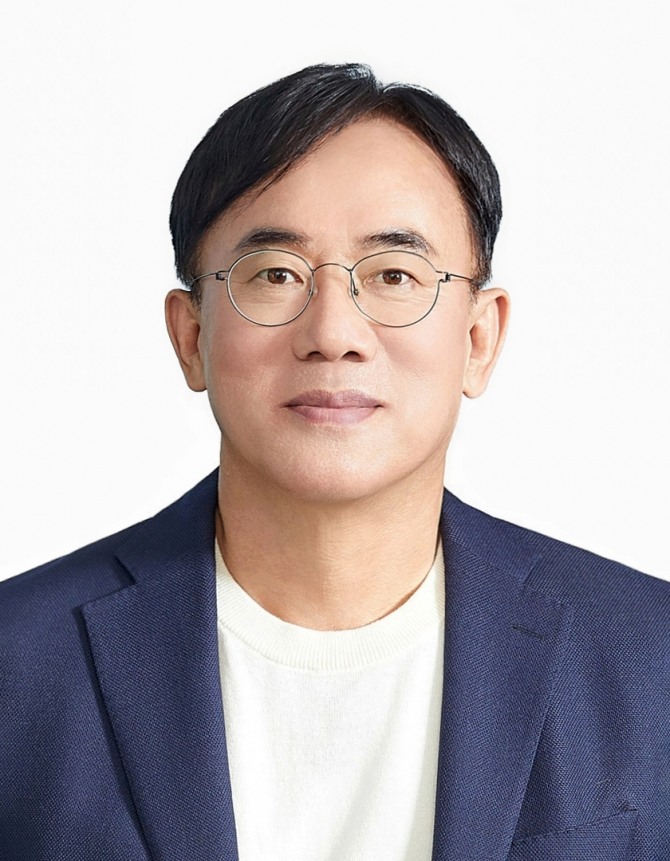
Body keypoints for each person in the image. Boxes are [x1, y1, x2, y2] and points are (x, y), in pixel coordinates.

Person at [1, 63, 668, 861]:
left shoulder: (648, 657)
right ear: (191, 336)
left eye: (394, 275)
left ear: (479, 338)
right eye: (276, 274)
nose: (333, 333)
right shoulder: (19, 664)